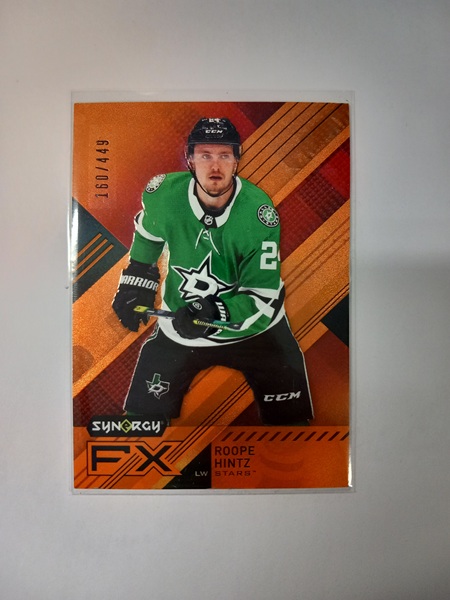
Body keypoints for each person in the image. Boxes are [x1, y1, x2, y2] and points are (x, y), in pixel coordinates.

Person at [112, 117, 313, 426]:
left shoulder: (259, 214)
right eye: (205, 155)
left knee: (293, 431)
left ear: (236, 161)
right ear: (190, 159)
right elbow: (149, 234)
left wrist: (213, 311)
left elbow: (261, 295)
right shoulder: (164, 194)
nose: (215, 165)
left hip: (257, 333)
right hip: (180, 326)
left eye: (224, 155)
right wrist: (137, 279)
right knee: (140, 425)